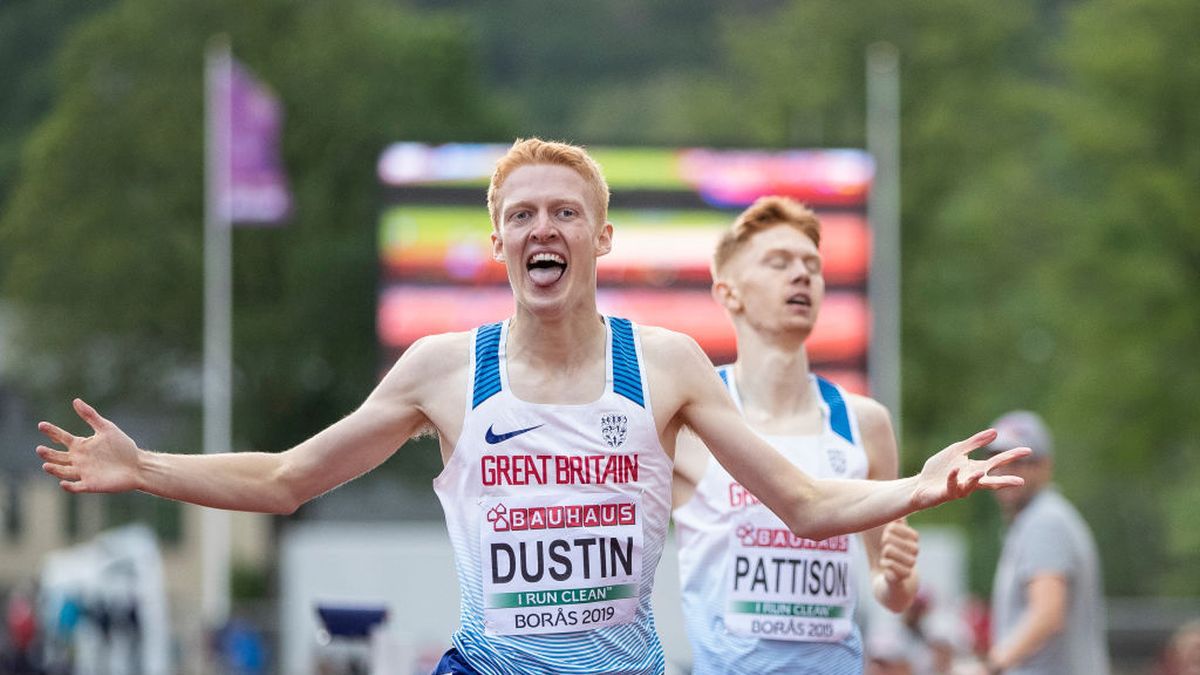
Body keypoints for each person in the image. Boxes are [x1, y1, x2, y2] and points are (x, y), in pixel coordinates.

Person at [36, 138, 1029, 675]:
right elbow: (292, 477)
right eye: (520, 215)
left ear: (600, 241)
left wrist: (916, 487)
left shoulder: (669, 363)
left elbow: (808, 506)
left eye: (562, 213)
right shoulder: (441, 370)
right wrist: (147, 470)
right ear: (498, 244)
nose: (540, 227)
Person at [672, 197, 921, 674]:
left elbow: (890, 590)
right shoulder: (687, 423)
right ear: (729, 293)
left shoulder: (864, 423)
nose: (802, 275)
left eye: (812, 265)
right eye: (778, 263)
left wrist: (898, 577)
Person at [983, 410, 1109, 674]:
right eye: (996, 460)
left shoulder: (1044, 521)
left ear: (1044, 466)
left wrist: (992, 666)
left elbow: (1048, 614)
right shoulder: (1037, 519)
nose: (1003, 471)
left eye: (1017, 462)